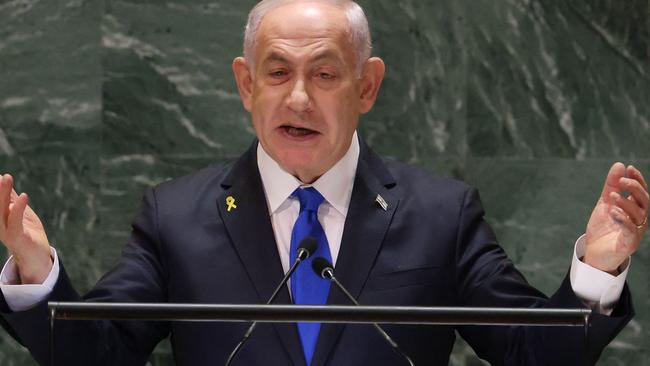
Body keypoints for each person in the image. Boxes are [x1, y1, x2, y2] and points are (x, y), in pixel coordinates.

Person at [0, 0, 647, 365]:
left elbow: (529, 357)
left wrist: (595, 270)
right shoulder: (176, 218)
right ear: (244, 85)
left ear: (367, 87)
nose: (299, 99)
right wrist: (36, 276)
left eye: (326, 75)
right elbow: (98, 357)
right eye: (276, 73)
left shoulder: (440, 214)